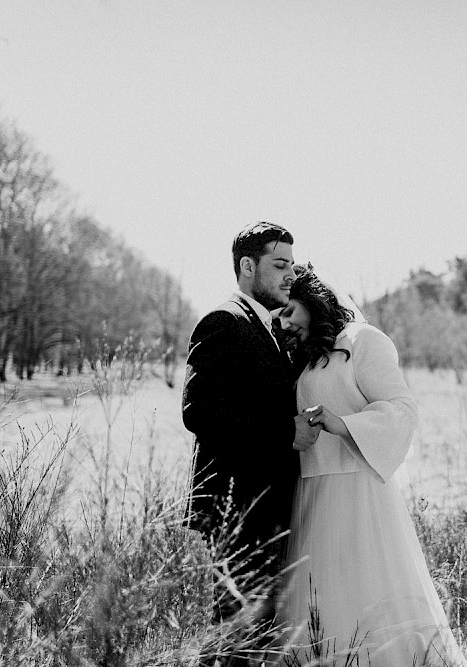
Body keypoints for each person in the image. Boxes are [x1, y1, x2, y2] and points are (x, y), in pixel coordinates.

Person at [277, 265, 467, 666]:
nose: (285, 322)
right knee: (320, 600)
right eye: (280, 314)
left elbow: (402, 409)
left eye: (291, 310)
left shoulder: (364, 341)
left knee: (367, 594)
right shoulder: (305, 355)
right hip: (311, 492)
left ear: (313, 304)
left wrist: (342, 423)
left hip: (358, 493)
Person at [182, 222, 323, 621]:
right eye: (280, 265)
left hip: (267, 505)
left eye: (292, 266)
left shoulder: (269, 327)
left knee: (254, 636)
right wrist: (287, 430)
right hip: (238, 505)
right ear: (248, 266)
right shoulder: (222, 322)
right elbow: (199, 410)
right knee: (235, 638)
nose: (291, 275)